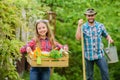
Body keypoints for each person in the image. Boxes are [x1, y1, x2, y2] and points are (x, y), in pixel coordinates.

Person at [75, 8, 114, 80]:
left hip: (100, 54)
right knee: (89, 76)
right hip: (88, 55)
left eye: (92, 15)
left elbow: (106, 35)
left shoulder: (100, 26)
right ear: (86, 16)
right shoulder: (83, 27)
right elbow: (78, 38)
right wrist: (79, 26)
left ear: (95, 15)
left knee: (105, 73)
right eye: (89, 15)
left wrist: (110, 39)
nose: (90, 17)